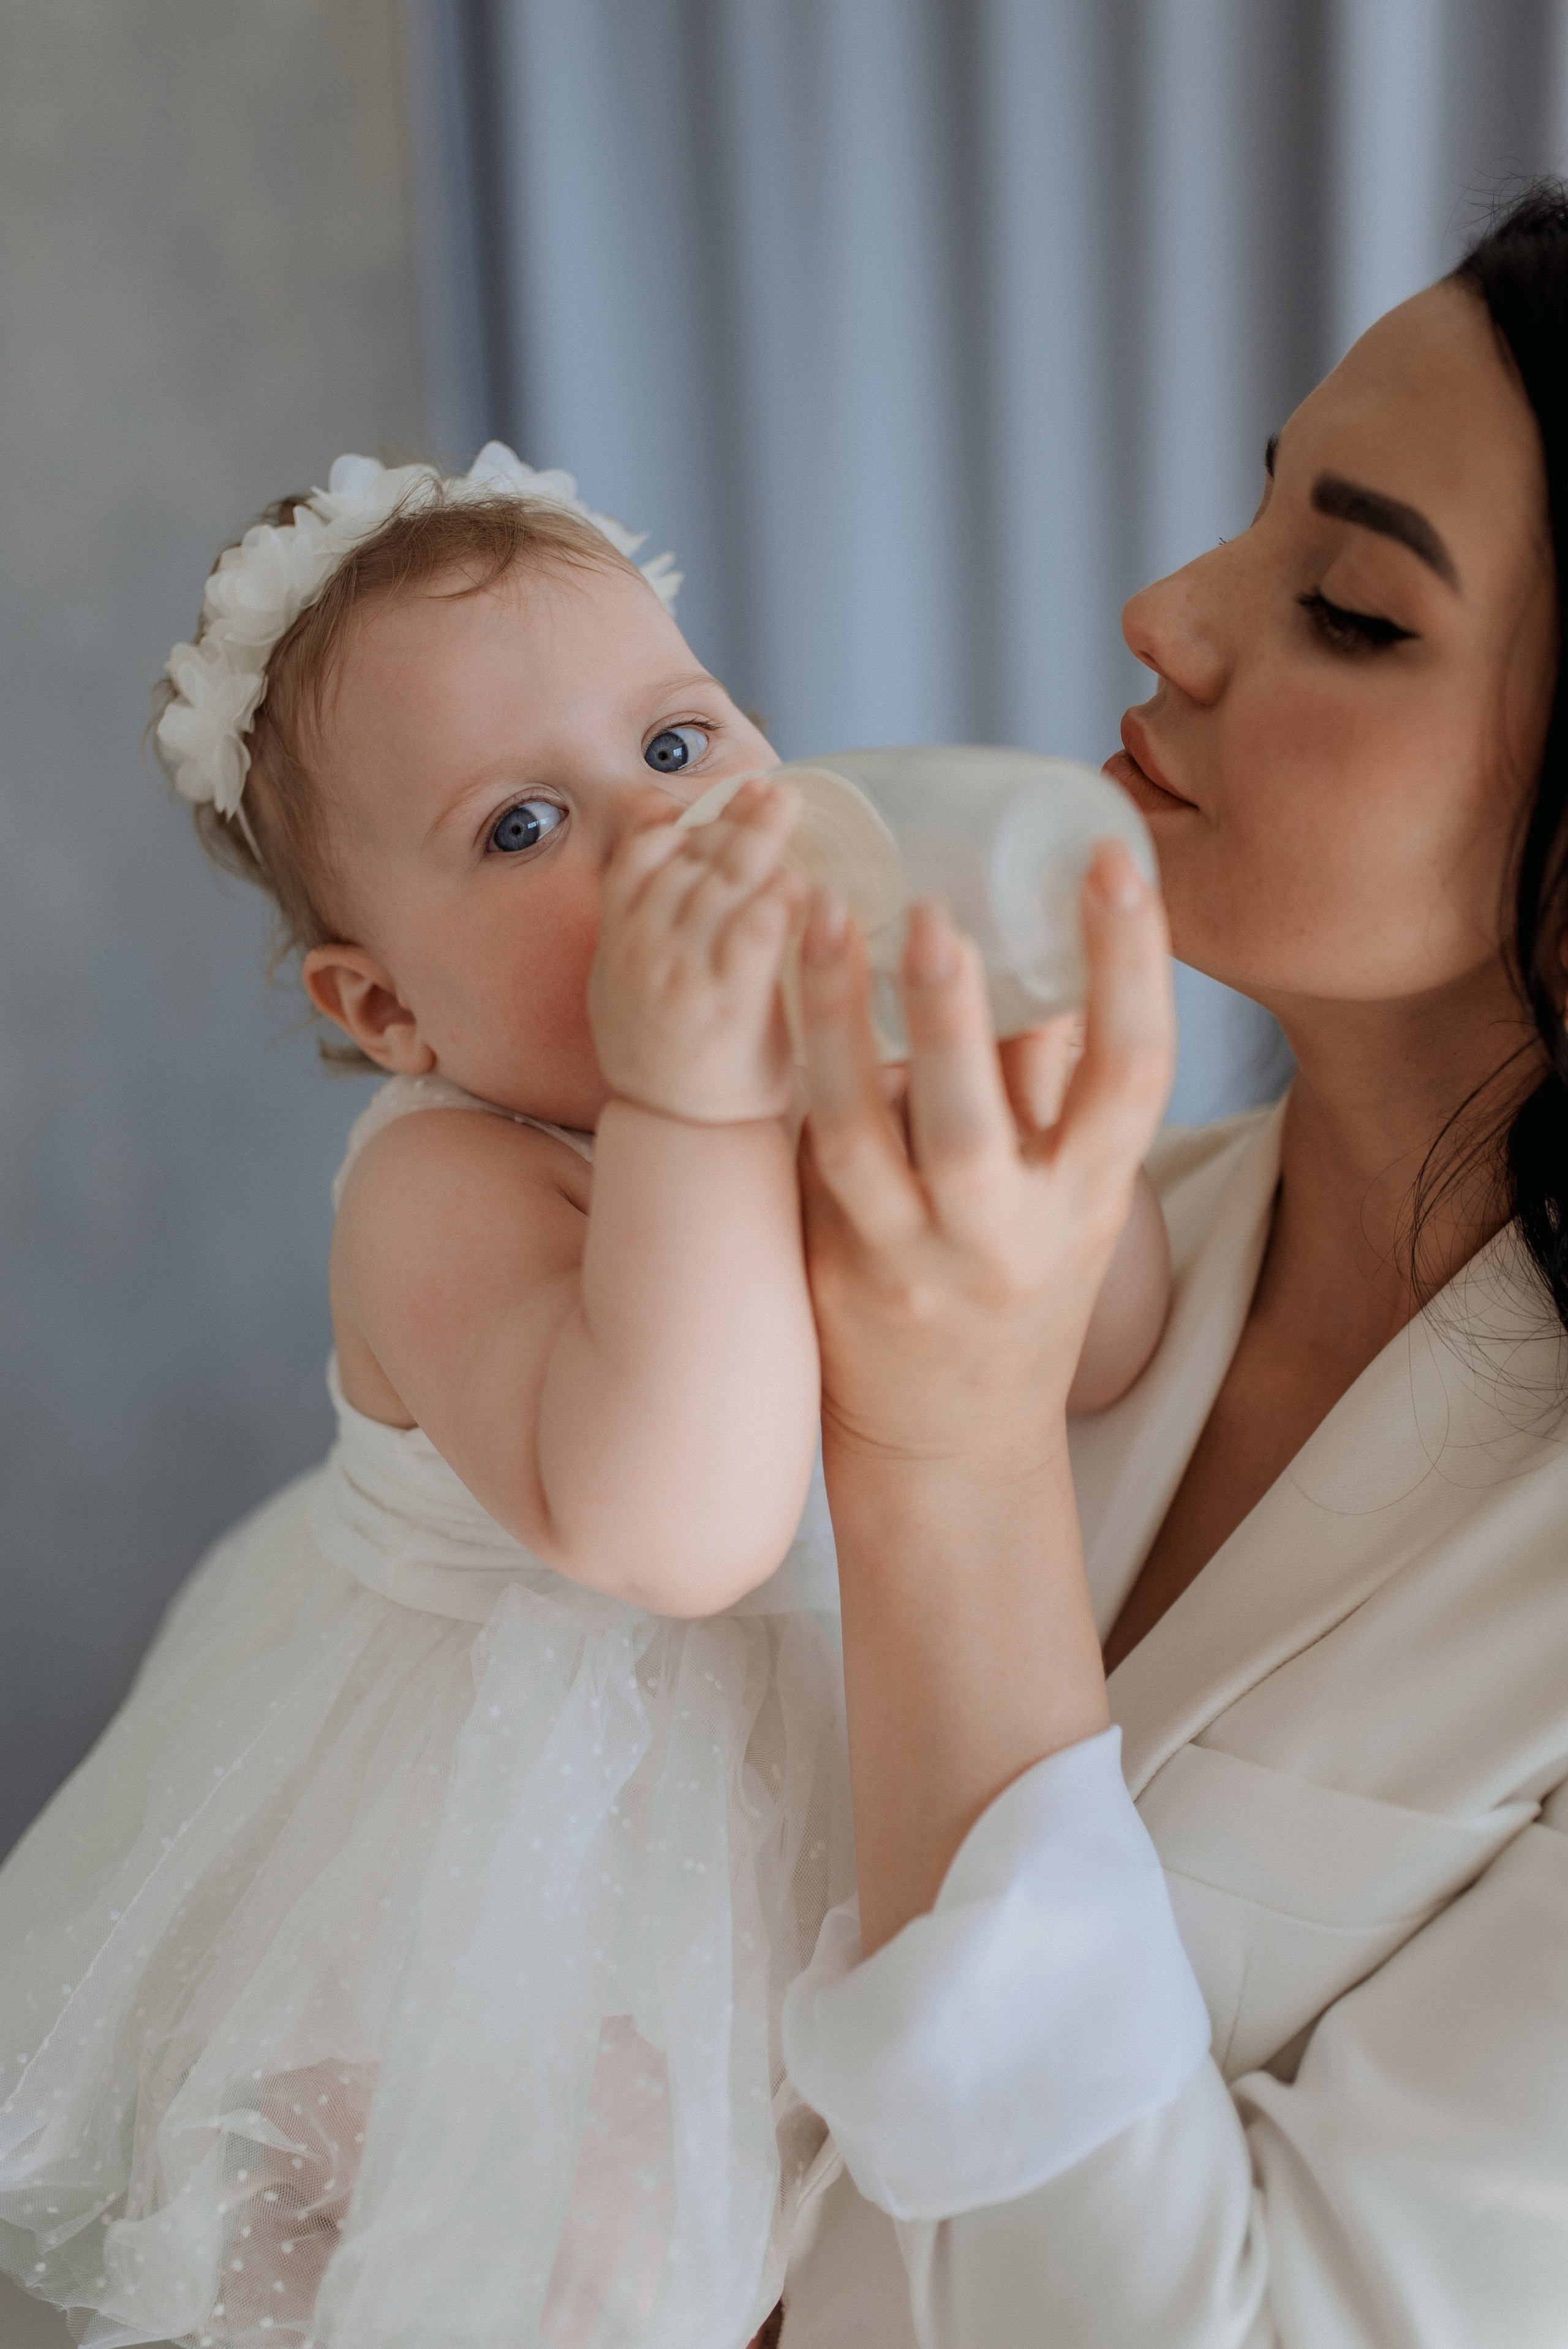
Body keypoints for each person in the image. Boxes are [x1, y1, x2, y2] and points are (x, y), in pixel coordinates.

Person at [0, 445, 1166, 2349]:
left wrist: (1018, 1107)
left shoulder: (808, 1063)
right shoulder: (443, 1186)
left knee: (855, 2249)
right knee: (568, 2268)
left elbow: (1097, 1351)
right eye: (524, 828)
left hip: (800, 1790)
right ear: (386, 1011)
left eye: (682, 745)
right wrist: (703, 1100)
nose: (659, 837)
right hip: (519, 1875)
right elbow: (680, 1527)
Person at [777, 187, 1568, 2347]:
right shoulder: (1061, 1228)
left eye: (1347, 604)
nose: (1165, 611)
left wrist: (951, 1466)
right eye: (1253, 514)